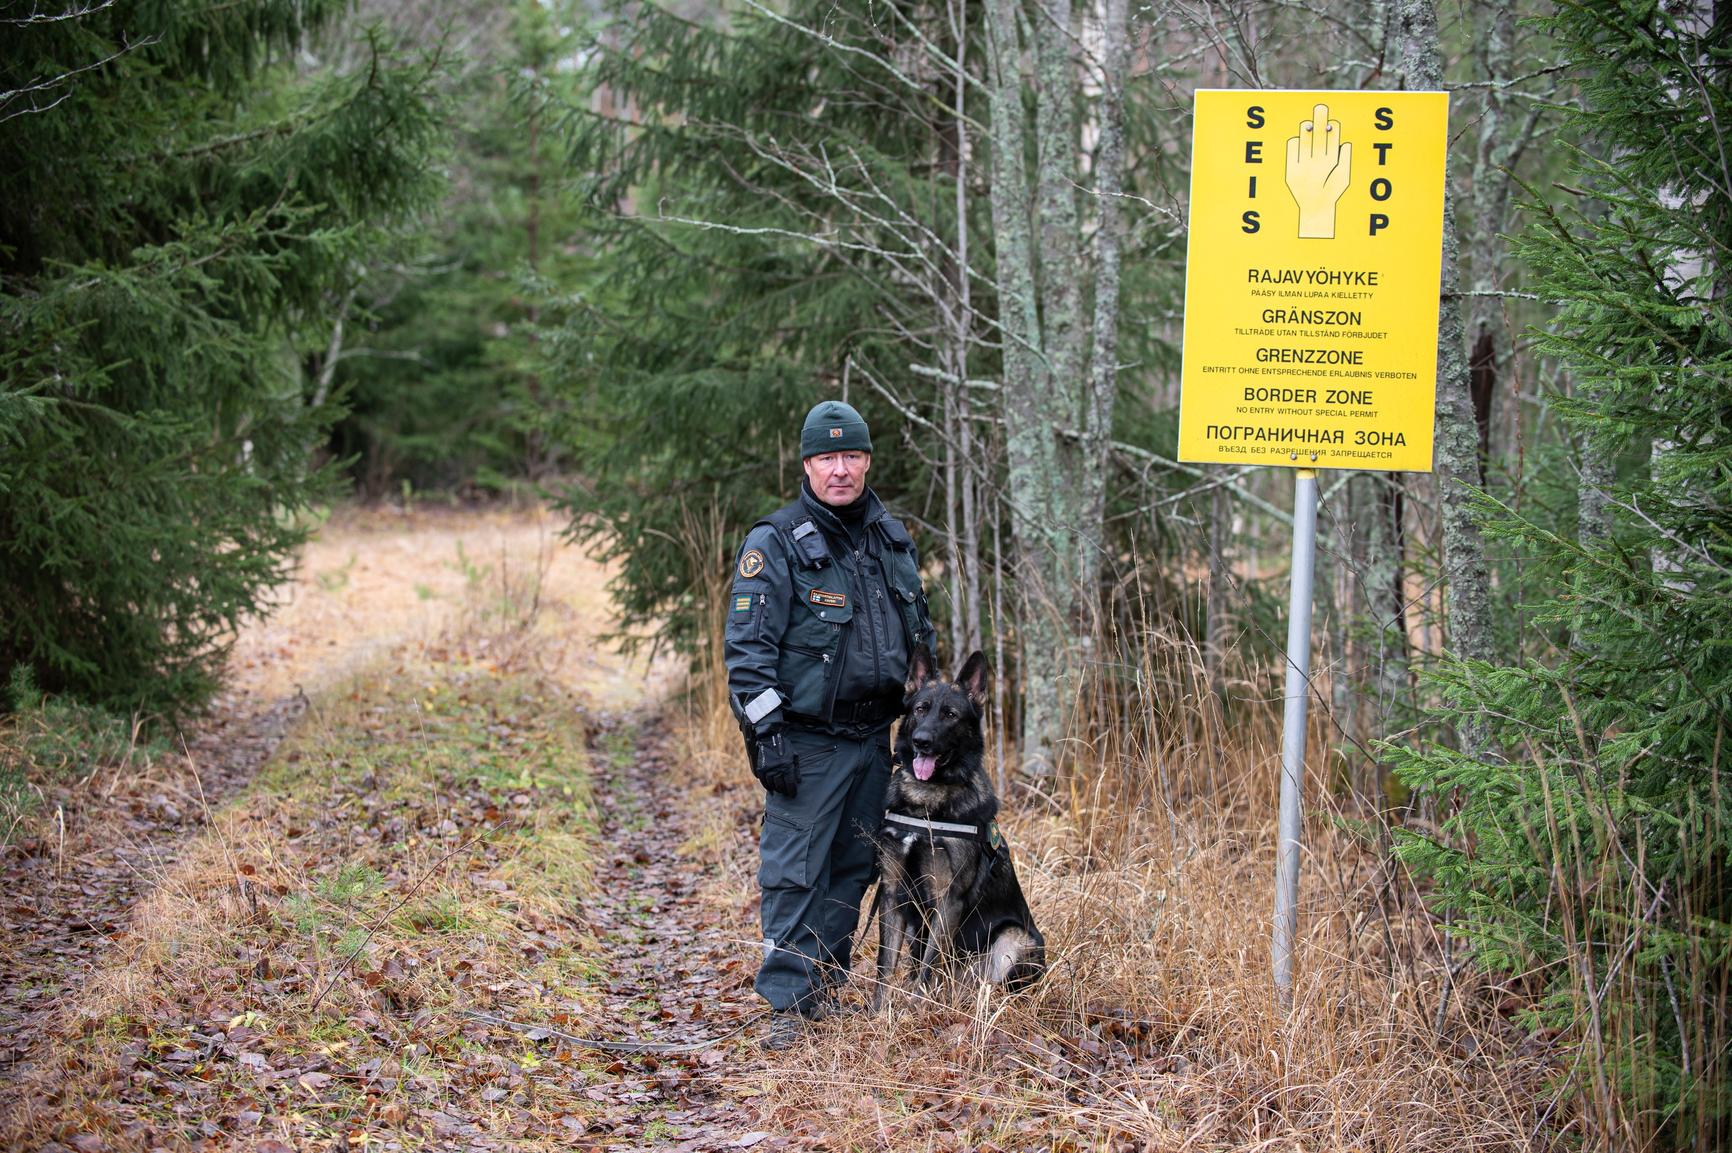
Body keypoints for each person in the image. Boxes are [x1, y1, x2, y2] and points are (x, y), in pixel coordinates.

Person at [724, 399, 932, 1050]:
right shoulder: (777, 543)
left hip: (875, 743)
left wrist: (928, 730)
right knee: (796, 869)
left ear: (868, 460)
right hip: (807, 743)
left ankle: (822, 988)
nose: (840, 469)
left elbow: (921, 641)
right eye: (827, 457)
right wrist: (767, 735)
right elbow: (747, 653)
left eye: (852, 456)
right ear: (807, 464)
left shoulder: (891, 540)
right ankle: (787, 1004)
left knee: (852, 866)